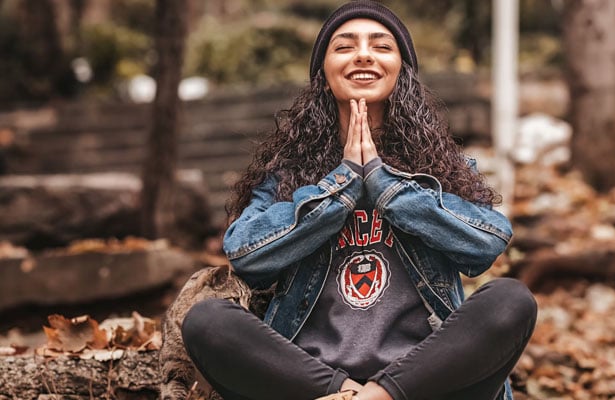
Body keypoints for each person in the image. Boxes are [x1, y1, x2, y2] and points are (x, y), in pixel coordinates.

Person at [181, 1, 537, 399]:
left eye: (381, 46)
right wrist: (342, 184)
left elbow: (487, 243)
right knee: (207, 320)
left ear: (402, 70)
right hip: (316, 385)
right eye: (345, 46)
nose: (364, 54)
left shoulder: (444, 168)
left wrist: (386, 186)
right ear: (323, 73)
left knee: (511, 300)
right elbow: (245, 254)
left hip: (427, 384)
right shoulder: (284, 175)